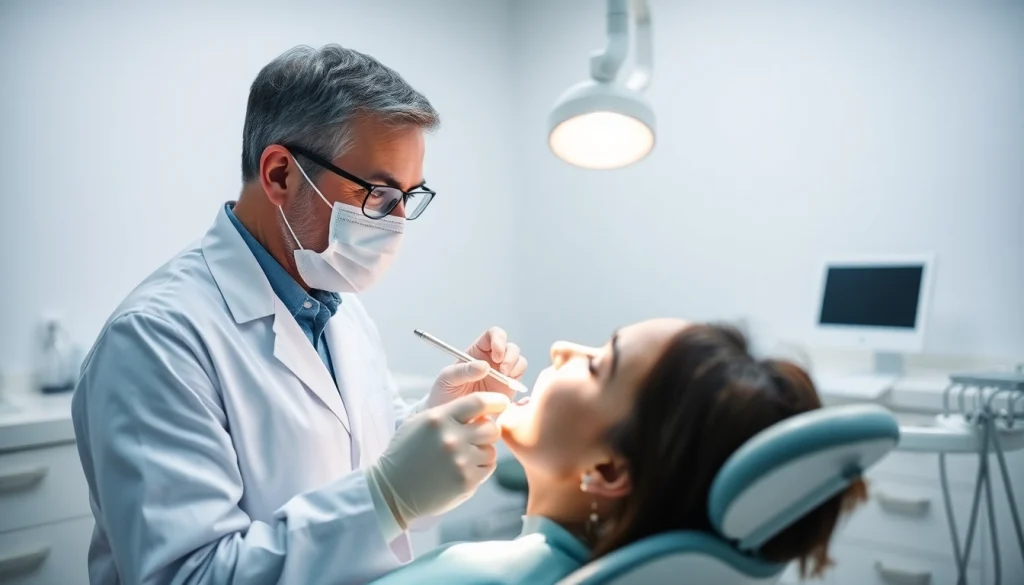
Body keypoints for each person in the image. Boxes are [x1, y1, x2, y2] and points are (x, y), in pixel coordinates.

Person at [71, 45, 526, 585]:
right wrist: (387, 496)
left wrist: (439, 421)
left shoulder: (336, 305)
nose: (398, 222)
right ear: (281, 174)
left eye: (410, 196)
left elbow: (369, 475)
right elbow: (189, 575)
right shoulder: (155, 341)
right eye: (379, 195)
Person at [371, 319, 868, 585]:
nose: (563, 347)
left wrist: (383, 498)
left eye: (597, 366)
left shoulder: (481, 576)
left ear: (608, 470)